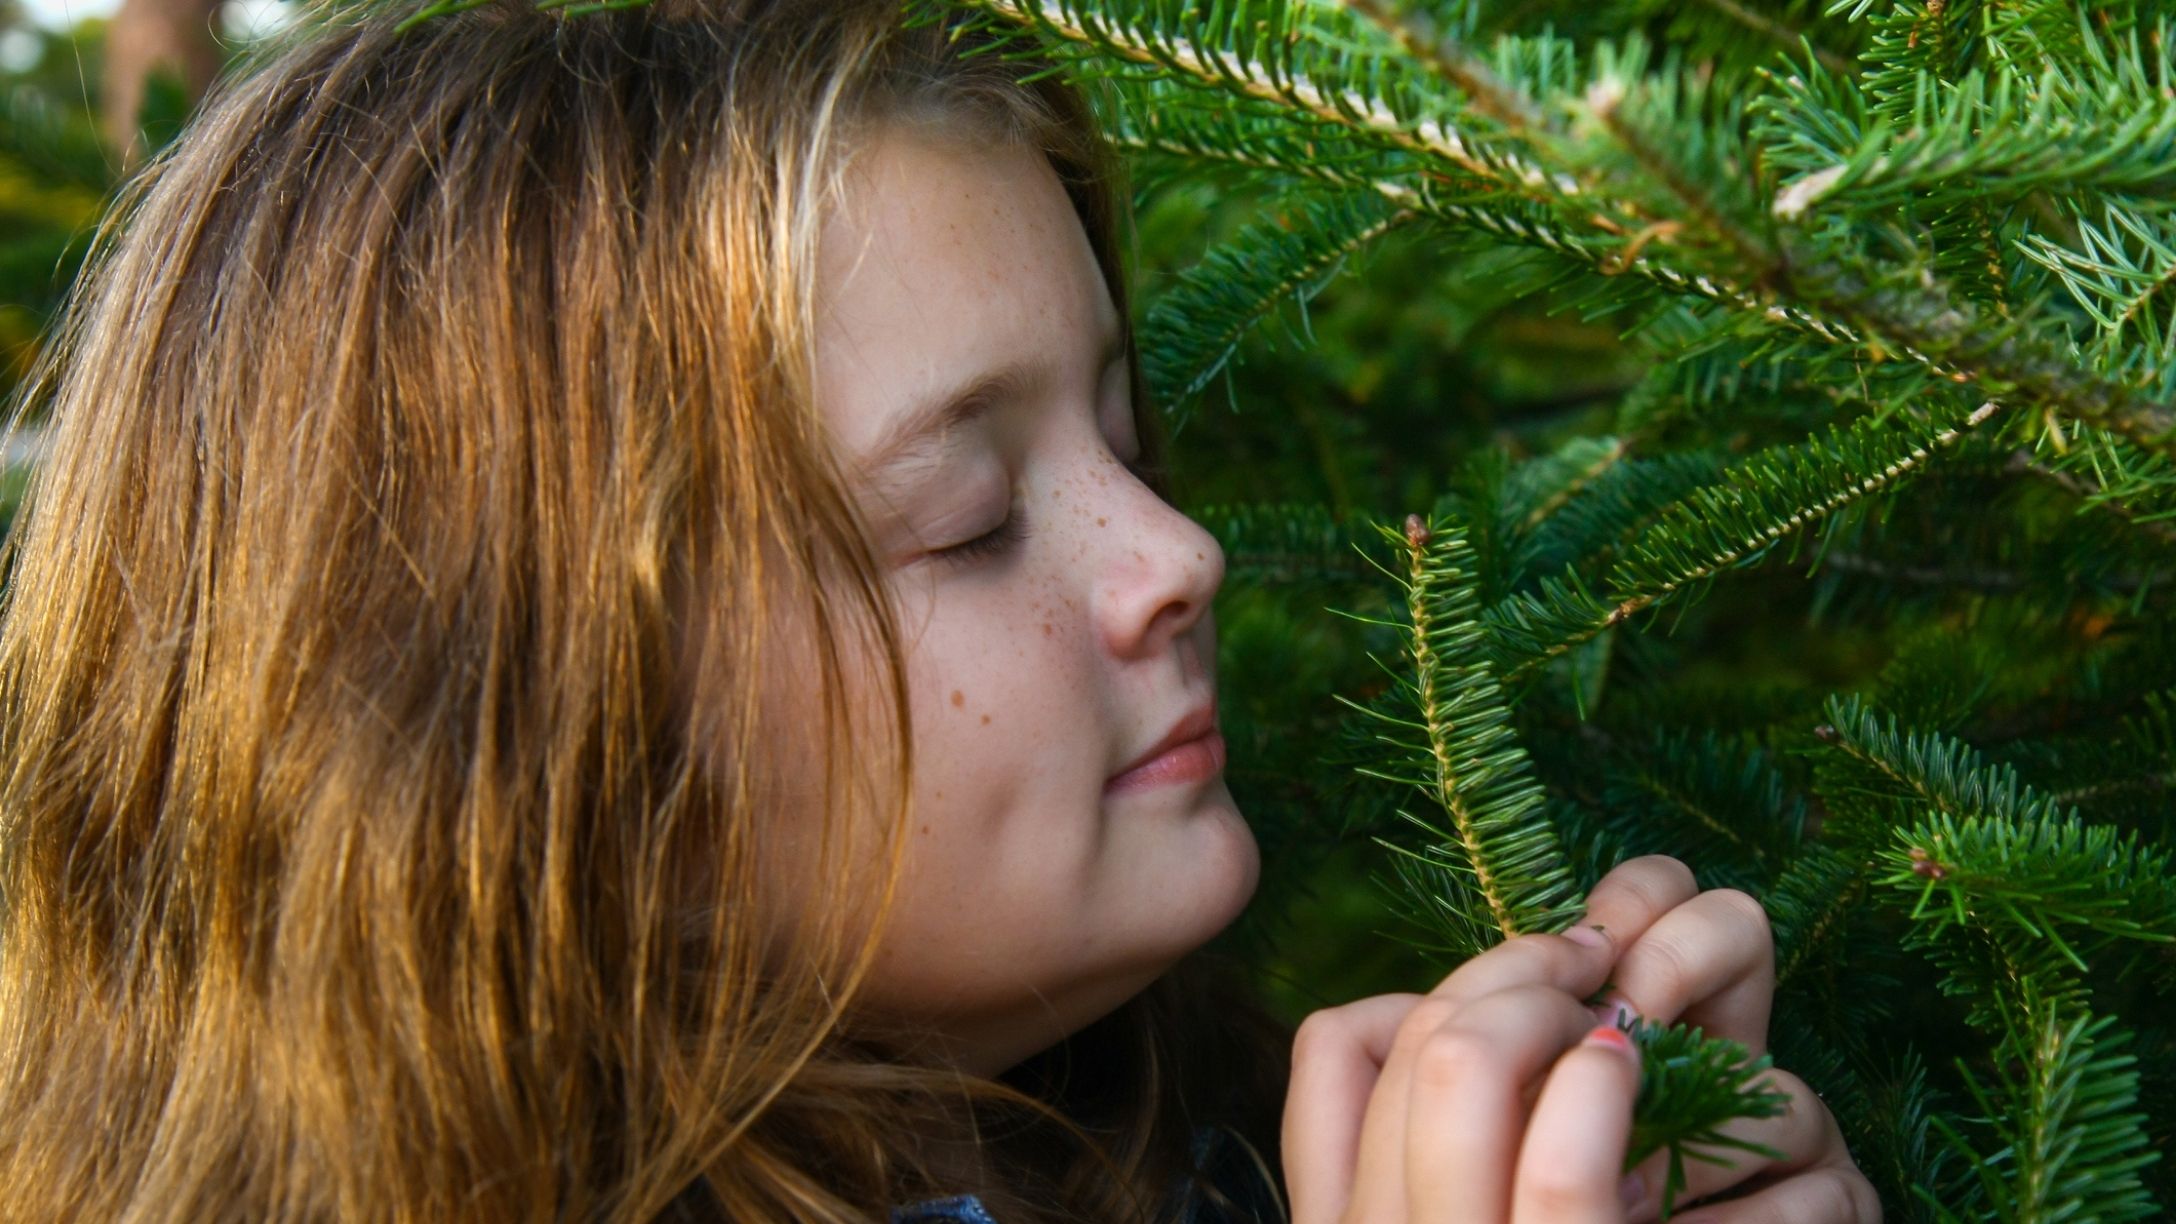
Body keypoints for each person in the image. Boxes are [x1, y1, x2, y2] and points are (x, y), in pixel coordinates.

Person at [0, 0, 1881, 1219]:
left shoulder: (1170, 1152)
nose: (1176, 557)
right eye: (966, 521)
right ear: (515, 747)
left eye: (1129, 434)